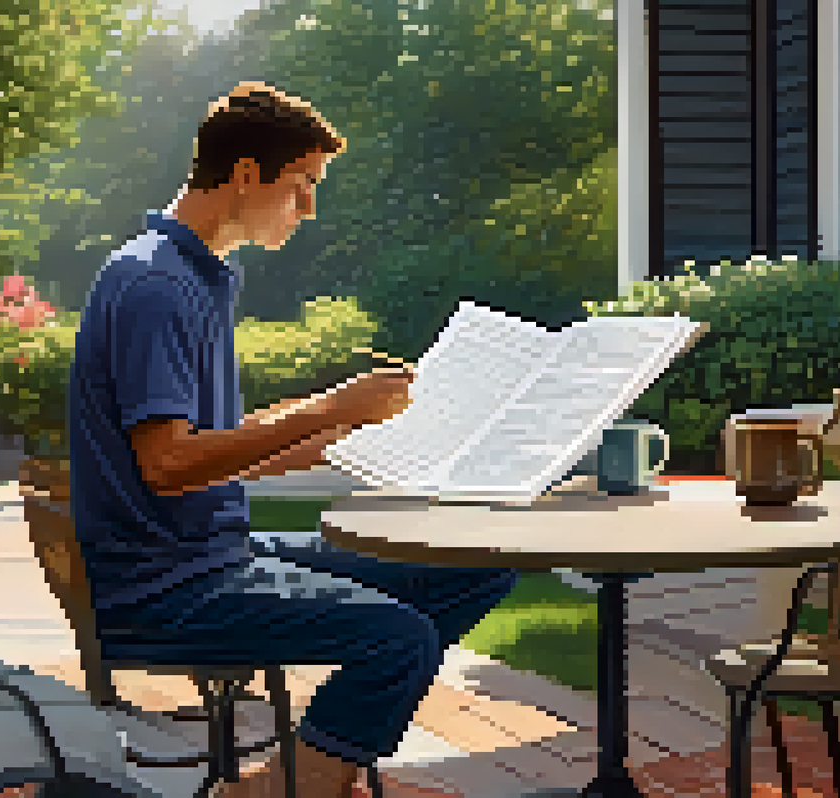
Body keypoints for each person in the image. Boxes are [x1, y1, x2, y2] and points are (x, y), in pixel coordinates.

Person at [67, 82, 520, 798]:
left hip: (210, 554)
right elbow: (167, 464)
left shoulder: (187, 274)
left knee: (478, 567)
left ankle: (322, 752)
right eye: (303, 183)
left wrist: (329, 430)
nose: (310, 207)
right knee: (398, 640)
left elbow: (210, 443)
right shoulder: (156, 284)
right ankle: (280, 787)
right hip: (169, 585)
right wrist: (322, 411)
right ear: (246, 173)